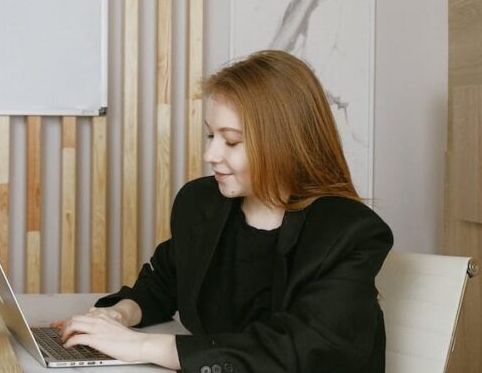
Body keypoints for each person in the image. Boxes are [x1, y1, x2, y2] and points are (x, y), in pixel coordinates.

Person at [54, 50, 393, 372]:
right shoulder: (201, 203)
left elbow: (298, 349)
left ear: (284, 143)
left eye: (230, 141)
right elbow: (164, 282)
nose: (210, 154)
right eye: (210, 135)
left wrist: (143, 347)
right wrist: (119, 315)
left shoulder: (347, 232)